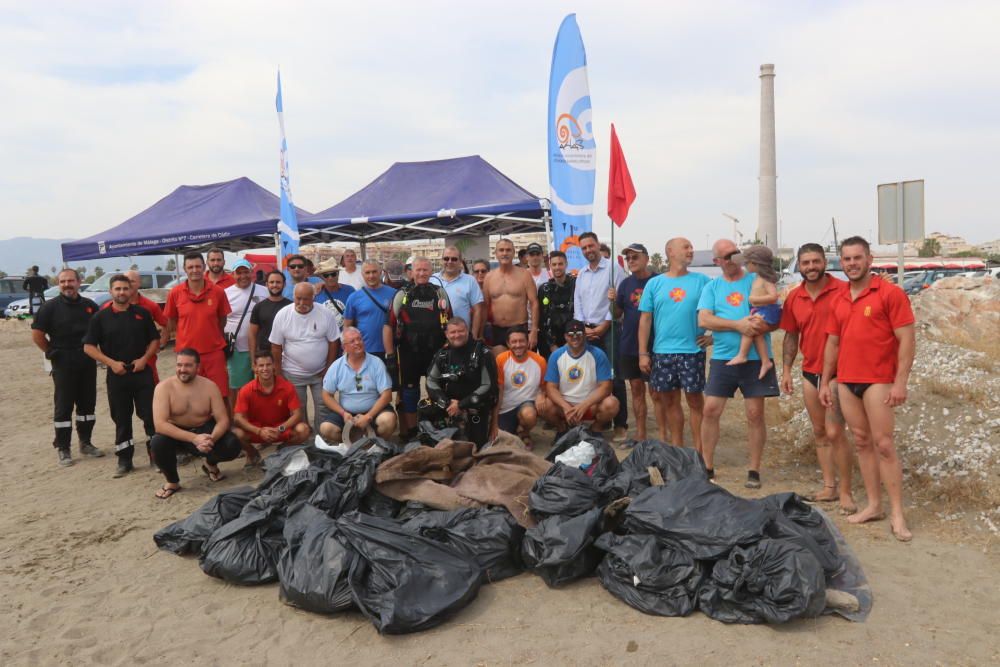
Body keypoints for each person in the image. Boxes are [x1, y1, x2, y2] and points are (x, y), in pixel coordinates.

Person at [820, 236, 915, 542]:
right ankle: (874, 505)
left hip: (879, 380)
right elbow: (832, 343)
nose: (851, 264)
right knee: (861, 441)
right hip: (847, 380)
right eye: (846, 259)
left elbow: (907, 340)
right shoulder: (839, 298)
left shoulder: (890, 293)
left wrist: (901, 381)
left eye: (857, 258)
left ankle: (898, 513)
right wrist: (825, 381)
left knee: (884, 444)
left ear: (869, 259)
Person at [780, 243, 855, 513]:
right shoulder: (794, 297)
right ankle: (829, 487)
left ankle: (846, 492)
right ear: (799, 266)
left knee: (836, 432)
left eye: (815, 262)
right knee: (820, 431)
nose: (811, 267)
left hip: (838, 373)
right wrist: (787, 370)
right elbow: (791, 335)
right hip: (809, 372)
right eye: (806, 263)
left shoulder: (843, 291)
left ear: (824, 262)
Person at [697, 239, 777, 488]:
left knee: (755, 414)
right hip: (723, 357)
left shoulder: (755, 278)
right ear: (717, 262)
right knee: (710, 410)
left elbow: (774, 311)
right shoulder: (712, 287)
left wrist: (761, 324)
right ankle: (707, 466)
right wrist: (737, 325)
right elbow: (704, 320)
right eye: (727, 256)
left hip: (756, 358)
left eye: (735, 253)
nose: (732, 259)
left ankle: (754, 469)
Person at [83, 274, 160, 477]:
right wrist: (111, 363)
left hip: (142, 373)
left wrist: (144, 359)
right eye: (117, 289)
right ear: (110, 292)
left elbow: (155, 340)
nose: (122, 292)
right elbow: (89, 347)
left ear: (131, 290)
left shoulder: (142, 314)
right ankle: (125, 460)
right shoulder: (100, 317)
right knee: (121, 418)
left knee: (151, 417)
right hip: (117, 376)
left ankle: (156, 457)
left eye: (125, 288)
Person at [638, 238, 711, 448]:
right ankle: (677, 449)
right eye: (686, 247)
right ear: (670, 251)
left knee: (696, 402)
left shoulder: (703, 281)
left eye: (691, 246)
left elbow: (722, 309)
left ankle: (699, 451)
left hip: (693, 351)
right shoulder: (655, 283)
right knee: (669, 401)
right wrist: (643, 353)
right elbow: (645, 319)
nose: (691, 250)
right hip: (663, 352)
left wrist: (713, 336)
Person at [30, 268, 103, 466]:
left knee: (87, 405)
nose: (67, 285)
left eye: (71, 281)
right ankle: (63, 447)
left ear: (79, 282)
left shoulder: (89, 306)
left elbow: (101, 332)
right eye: (62, 281)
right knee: (63, 407)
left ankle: (86, 443)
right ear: (58, 284)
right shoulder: (49, 307)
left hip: (87, 361)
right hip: (63, 363)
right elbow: (37, 334)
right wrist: (50, 352)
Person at [150, 348, 243, 499]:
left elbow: (223, 419)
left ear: (198, 367)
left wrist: (210, 439)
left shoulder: (210, 386)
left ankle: (210, 464)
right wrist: (194, 438)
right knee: (157, 443)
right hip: (178, 433)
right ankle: (172, 482)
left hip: (204, 430)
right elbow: (160, 424)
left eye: (188, 365)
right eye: (179, 365)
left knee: (233, 444)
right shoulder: (163, 388)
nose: (182, 369)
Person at [384, 257, 452, 438]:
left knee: (436, 390)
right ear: (411, 272)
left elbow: (450, 323)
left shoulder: (439, 293)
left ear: (431, 272)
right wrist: (390, 354)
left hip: (435, 353)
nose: (422, 273)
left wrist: (449, 349)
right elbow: (388, 326)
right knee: (410, 392)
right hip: (408, 353)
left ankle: (436, 427)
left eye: (425, 270)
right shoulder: (402, 294)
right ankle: (412, 430)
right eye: (418, 270)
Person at [574, 231, 628, 442]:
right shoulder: (582, 274)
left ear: (598, 245)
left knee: (615, 377)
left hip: (609, 329)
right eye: (584, 248)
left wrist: (605, 324)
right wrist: (582, 327)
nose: (588, 250)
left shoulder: (614, 269)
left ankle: (621, 424)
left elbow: (618, 302)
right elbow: (578, 301)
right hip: (586, 331)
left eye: (591, 246)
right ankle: (601, 420)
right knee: (593, 377)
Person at [269, 282, 341, 434]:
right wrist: (278, 371)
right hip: (293, 372)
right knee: (298, 409)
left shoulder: (325, 313)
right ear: (293, 297)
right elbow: (276, 345)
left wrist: (329, 367)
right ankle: (305, 438)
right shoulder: (283, 314)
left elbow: (334, 341)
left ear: (314, 298)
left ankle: (322, 438)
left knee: (323, 406)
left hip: (321, 372)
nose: (301, 303)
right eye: (298, 298)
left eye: (306, 299)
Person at [164, 251, 232, 397]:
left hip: (214, 352)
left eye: (197, 266)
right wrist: (184, 337)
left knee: (221, 394)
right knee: (190, 394)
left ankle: (223, 420)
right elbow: (171, 321)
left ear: (204, 267)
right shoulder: (175, 293)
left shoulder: (218, 292)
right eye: (190, 267)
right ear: (185, 269)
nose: (194, 270)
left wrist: (212, 335)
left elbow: (222, 319)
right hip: (186, 354)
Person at [426, 317, 499, 447]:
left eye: (461, 331)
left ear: (468, 331)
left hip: (475, 407)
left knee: (475, 448)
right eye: (453, 332)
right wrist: (447, 403)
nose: (457, 335)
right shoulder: (443, 355)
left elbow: (488, 386)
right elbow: (431, 381)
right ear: (446, 334)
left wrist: (461, 405)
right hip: (449, 407)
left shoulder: (483, 353)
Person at [538, 320, 619, 434]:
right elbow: (551, 388)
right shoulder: (556, 356)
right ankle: (561, 428)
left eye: (579, 334)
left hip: (590, 405)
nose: (575, 337)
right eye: (571, 334)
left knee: (612, 404)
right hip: (565, 405)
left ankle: (595, 429)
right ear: (565, 336)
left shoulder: (598, 354)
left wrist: (584, 405)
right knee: (543, 405)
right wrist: (565, 406)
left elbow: (606, 387)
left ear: (585, 335)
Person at [319, 327, 397, 443]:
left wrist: (368, 416)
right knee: (326, 428)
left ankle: (377, 445)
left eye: (359, 339)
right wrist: (343, 413)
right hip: (347, 413)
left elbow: (387, 395)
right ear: (344, 347)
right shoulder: (337, 366)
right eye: (352, 341)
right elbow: (326, 395)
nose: (358, 343)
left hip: (373, 410)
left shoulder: (376, 363)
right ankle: (350, 445)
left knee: (388, 421)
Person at [232, 352, 310, 466]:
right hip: (257, 430)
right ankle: (252, 453)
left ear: (274, 366)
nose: (265, 368)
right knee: (235, 434)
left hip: (281, 428)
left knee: (304, 429)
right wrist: (259, 431)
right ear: (255, 368)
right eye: (261, 365)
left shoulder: (287, 386)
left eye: (268, 364)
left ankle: (283, 449)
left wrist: (280, 429)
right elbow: (238, 418)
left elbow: (297, 414)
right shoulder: (246, 390)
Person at [102, 269, 169, 383]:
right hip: (120, 364)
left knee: (151, 393)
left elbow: (165, 324)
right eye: (125, 281)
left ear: (139, 283)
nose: (128, 284)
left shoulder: (150, 306)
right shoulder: (107, 308)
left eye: (132, 281)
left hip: (146, 361)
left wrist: (161, 343)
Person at [727, 245, 781, 379]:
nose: (744, 266)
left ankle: (742, 355)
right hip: (760, 309)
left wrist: (754, 299)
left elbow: (774, 296)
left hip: (767, 311)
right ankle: (765, 361)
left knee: (749, 327)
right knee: (757, 335)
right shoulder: (756, 277)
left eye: (746, 263)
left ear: (756, 264)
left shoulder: (765, 279)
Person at [482, 238, 539, 353]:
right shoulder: (489, 277)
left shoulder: (524, 275)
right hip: (497, 330)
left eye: (508, 250)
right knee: (500, 366)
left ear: (513, 253)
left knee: (521, 368)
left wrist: (534, 331)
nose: (505, 253)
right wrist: (481, 333)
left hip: (519, 328)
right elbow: (485, 306)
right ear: (496, 253)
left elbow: (534, 303)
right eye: (501, 250)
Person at [494, 326, 548, 449]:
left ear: (527, 341)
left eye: (521, 341)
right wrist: (495, 420)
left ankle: (525, 432)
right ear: (508, 343)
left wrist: (541, 394)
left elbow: (544, 385)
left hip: (526, 404)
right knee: (502, 440)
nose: (518, 345)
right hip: (506, 406)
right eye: (514, 342)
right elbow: (500, 390)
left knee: (529, 415)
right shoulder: (501, 359)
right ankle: (514, 430)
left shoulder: (539, 361)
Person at [224, 259, 265, 407]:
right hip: (237, 349)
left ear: (252, 273)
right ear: (233, 275)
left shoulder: (263, 291)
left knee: (259, 386)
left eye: (246, 272)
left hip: (260, 348)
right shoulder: (226, 294)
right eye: (239, 273)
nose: (243, 276)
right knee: (236, 387)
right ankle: (237, 417)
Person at [343, 259, 396, 360]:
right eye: (367, 272)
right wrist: (347, 349)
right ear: (362, 275)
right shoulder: (354, 297)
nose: (371, 276)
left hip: (389, 350)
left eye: (374, 272)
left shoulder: (394, 294)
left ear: (381, 273)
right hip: (364, 349)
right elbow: (347, 326)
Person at [432, 245, 484, 338]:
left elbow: (478, 310)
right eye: (446, 258)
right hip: (436, 335)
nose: (449, 262)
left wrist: (474, 336)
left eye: (454, 259)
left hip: (460, 336)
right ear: (441, 260)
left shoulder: (470, 280)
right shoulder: (432, 279)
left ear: (460, 261)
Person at [537, 250, 576, 360]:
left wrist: (570, 341)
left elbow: (580, 314)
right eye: (554, 264)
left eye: (560, 264)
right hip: (550, 342)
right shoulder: (544, 289)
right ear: (550, 266)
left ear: (566, 264)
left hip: (573, 338)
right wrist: (552, 344)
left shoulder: (576, 284)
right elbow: (542, 319)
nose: (557, 267)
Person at [248, 271, 291, 364]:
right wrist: (253, 361)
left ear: (284, 284)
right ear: (267, 284)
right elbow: (252, 335)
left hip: (287, 358)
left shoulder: (291, 306)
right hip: (264, 358)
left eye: (278, 282)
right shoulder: (259, 307)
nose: (275, 285)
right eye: (272, 282)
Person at [313, 257, 355, 331]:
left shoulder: (350, 291)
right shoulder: (316, 293)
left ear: (338, 274)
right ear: (322, 277)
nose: (330, 278)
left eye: (333, 274)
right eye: (326, 275)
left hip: (345, 337)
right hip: (325, 337)